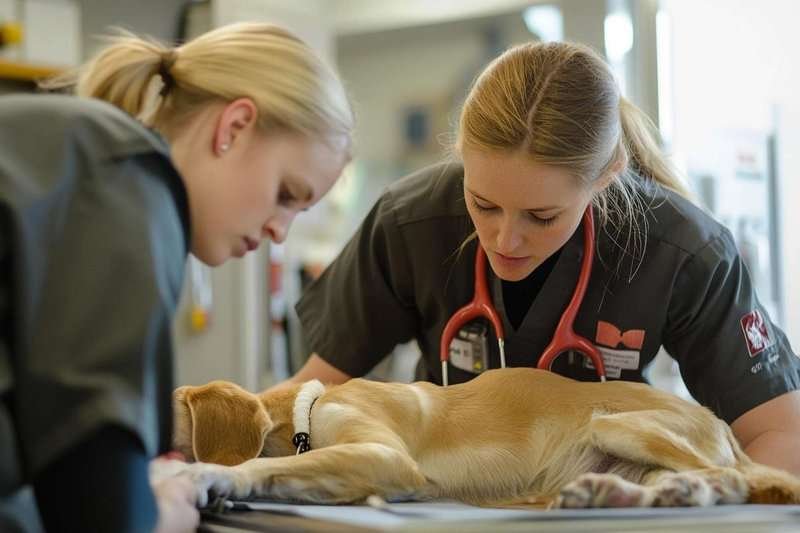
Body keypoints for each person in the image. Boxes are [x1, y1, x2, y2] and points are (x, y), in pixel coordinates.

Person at [278, 41, 800, 476]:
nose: (505, 239)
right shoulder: (410, 223)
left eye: (542, 216)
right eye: (482, 205)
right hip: (443, 499)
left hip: (605, 502)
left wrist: (715, 507)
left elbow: (780, 431)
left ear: (606, 175)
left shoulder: (683, 251)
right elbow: (313, 395)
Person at [0, 22, 353, 532]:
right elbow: (101, 502)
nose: (281, 233)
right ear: (234, 127)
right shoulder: (127, 183)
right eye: (285, 194)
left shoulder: (81, 155)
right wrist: (158, 515)